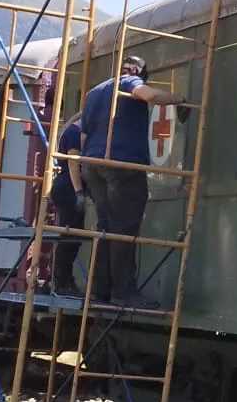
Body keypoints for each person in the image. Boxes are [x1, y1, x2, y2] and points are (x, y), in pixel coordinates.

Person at [77, 55, 185, 308]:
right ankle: (123, 291)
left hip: (93, 164)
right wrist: (180, 100)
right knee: (124, 228)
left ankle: (99, 289)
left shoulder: (94, 92)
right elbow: (149, 96)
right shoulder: (129, 82)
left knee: (104, 226)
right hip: (122, 163)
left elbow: (83, 134)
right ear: (138, 70)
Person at [47, 118, 86, 297]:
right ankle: (62, 282)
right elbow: (73, 163)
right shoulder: (74, 134)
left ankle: (62, 280)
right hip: (68, 189)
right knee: (70, 236)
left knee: (72, 236)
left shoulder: (70, 131)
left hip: (65, 187)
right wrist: (79, 192)